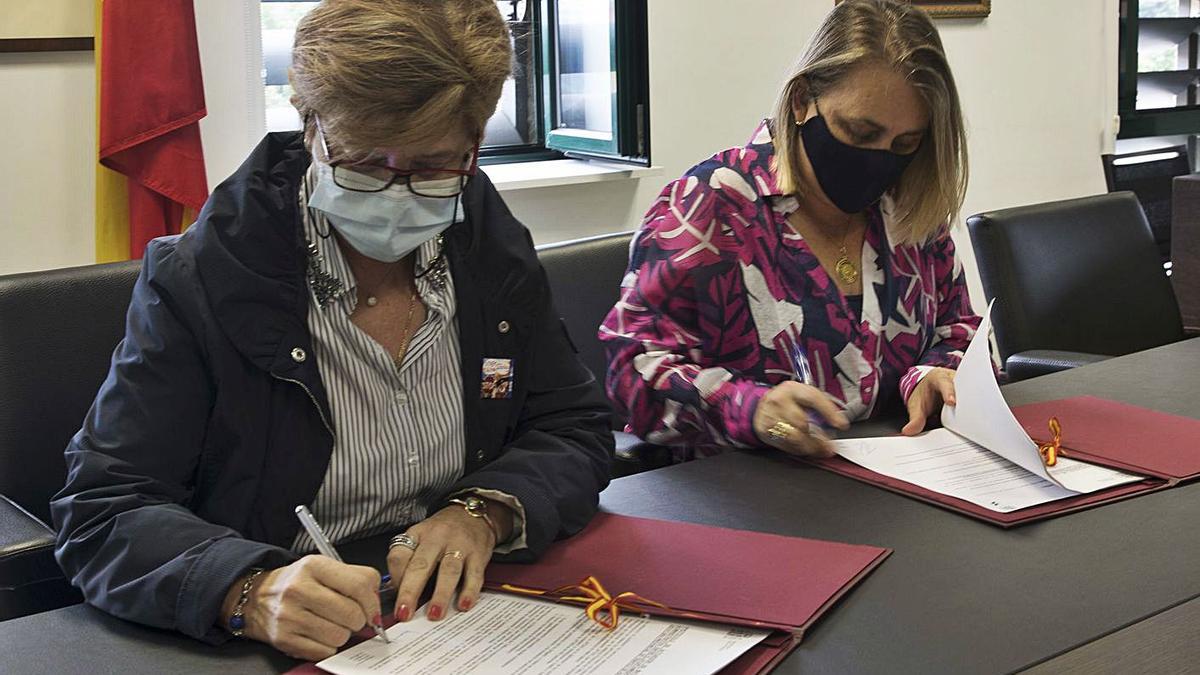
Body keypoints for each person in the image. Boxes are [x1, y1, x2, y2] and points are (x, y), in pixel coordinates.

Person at [51, 0, 613, 661]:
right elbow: (103, 508)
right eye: (365, 163)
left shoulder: (489, 246)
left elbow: (572, 426)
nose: (397, 193)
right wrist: (245, 587)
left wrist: (484, 511)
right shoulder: (204, 277)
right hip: (281, 636)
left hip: (464, 616)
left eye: (434, 166)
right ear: (308, 121)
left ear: (475, 143)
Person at [599, 0, 979, 460]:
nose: (880, 159)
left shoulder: (909, 204)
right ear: (802, 101)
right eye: (859, 133)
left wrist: (937, 376)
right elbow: (633, 372)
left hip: (896, 486)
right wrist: (752, 409)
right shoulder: (712, 205)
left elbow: (958, 332)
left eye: (905, 144)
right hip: (742, 498)